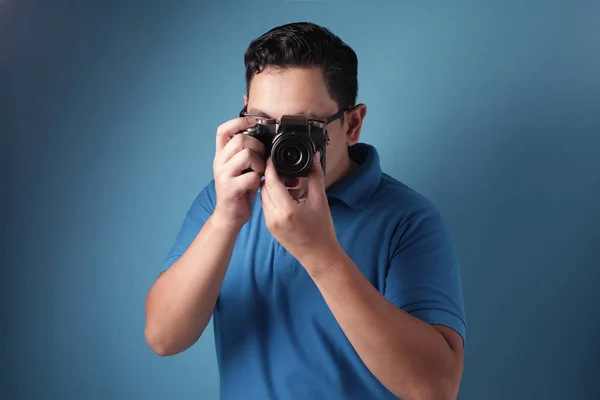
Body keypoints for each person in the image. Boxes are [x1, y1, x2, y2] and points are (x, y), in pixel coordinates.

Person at [145, 22, 467, 400]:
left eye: (304, 127)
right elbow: (164, 338)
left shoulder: (407, 220)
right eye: (264, 123)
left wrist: (321, 254)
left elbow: (435, 389)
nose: (282, 143)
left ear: (352, 124)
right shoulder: (224, 200)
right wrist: (226, 219)